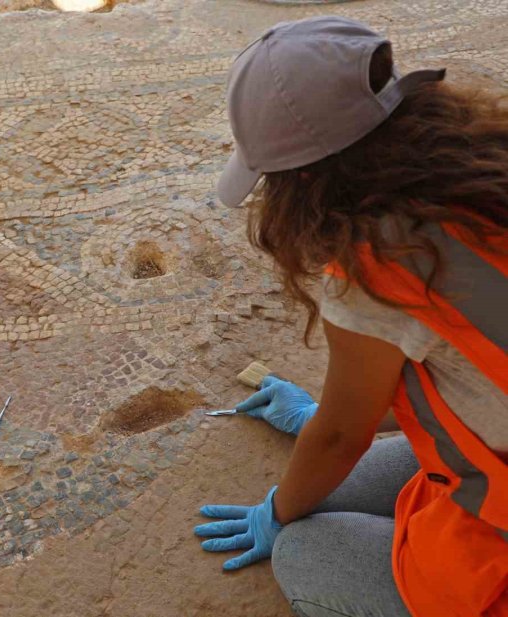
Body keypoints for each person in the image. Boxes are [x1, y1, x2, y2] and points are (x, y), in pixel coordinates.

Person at [192, 16, 508, 617]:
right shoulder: (487, 169)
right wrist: (324, 417)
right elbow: (465, 369)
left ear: (303, 178)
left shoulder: (377, 265)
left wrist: (279, 511)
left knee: (306, 547)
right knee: (354, 480)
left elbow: (341, 436)